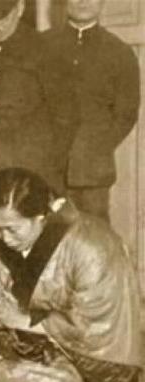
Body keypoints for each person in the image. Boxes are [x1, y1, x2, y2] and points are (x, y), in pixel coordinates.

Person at [0, 167, 141, 382]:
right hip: (36, 352)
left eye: (12, 229)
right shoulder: (1, 251)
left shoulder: (92, 246)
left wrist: (23, 321)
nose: (4, 239)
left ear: (41, 216)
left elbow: (93, 328)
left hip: (96, 366)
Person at [0, 0, 73, 242]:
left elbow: (66, 118)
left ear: (20, 8)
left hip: (26, 173)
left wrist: (49, 171)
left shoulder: (44, 50)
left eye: (1, 17)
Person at [42, 0, 140, 222]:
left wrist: (95, 147)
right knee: (45, 240)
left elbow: (126, 114)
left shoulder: (119, 52)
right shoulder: (41, 45)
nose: (83, 1)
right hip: (46, 169)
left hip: (92, 175)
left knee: (95, 240)